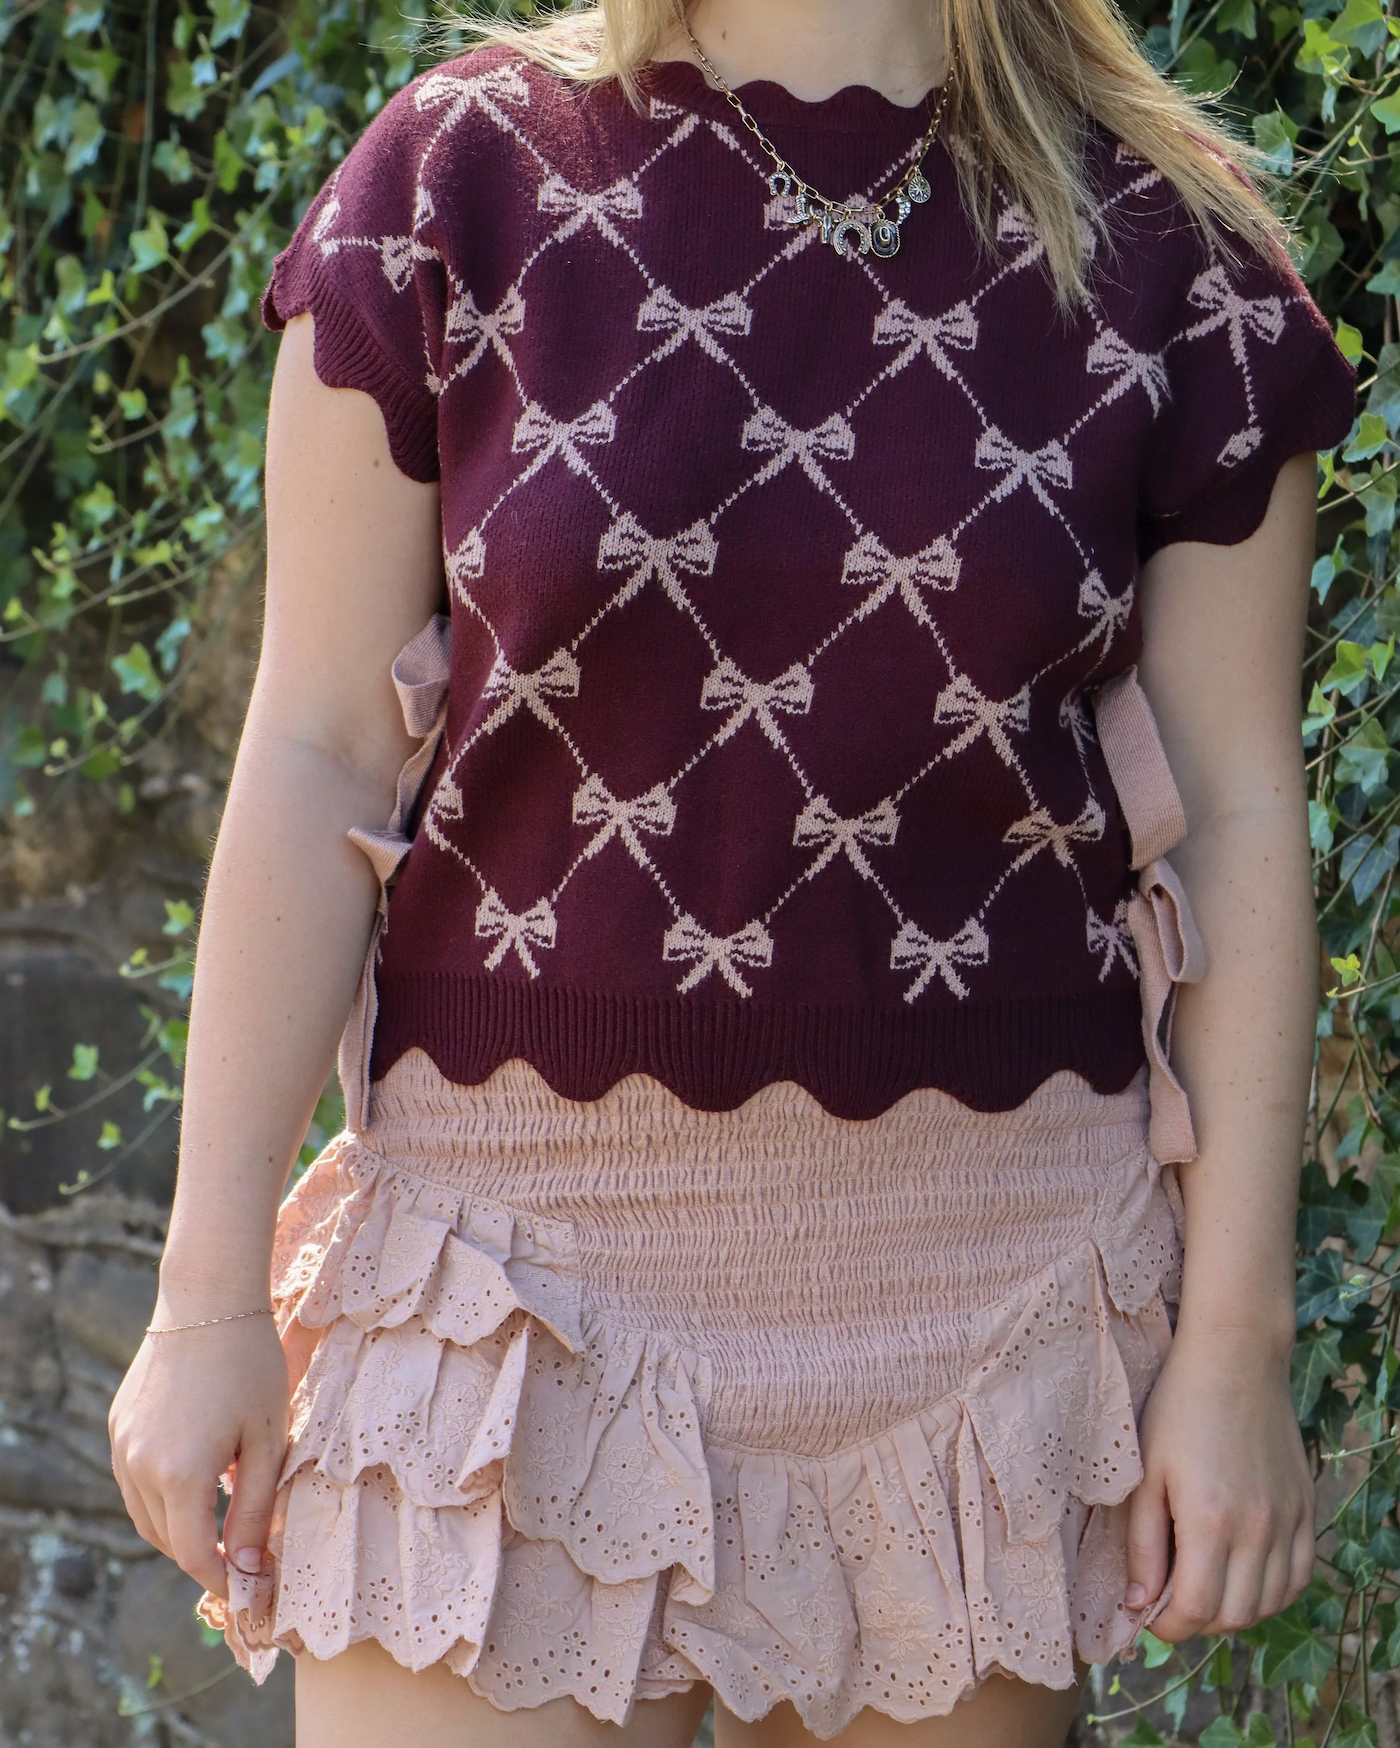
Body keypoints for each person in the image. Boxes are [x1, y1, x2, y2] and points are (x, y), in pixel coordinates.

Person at [107, 0, 1357, 1743]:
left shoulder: (1177, 253)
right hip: (504, 1294)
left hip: (986, 1320)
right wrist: (206, 1298)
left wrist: (1233, 1345)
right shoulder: (456, 182)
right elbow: (316, 742)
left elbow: (1232, 818)